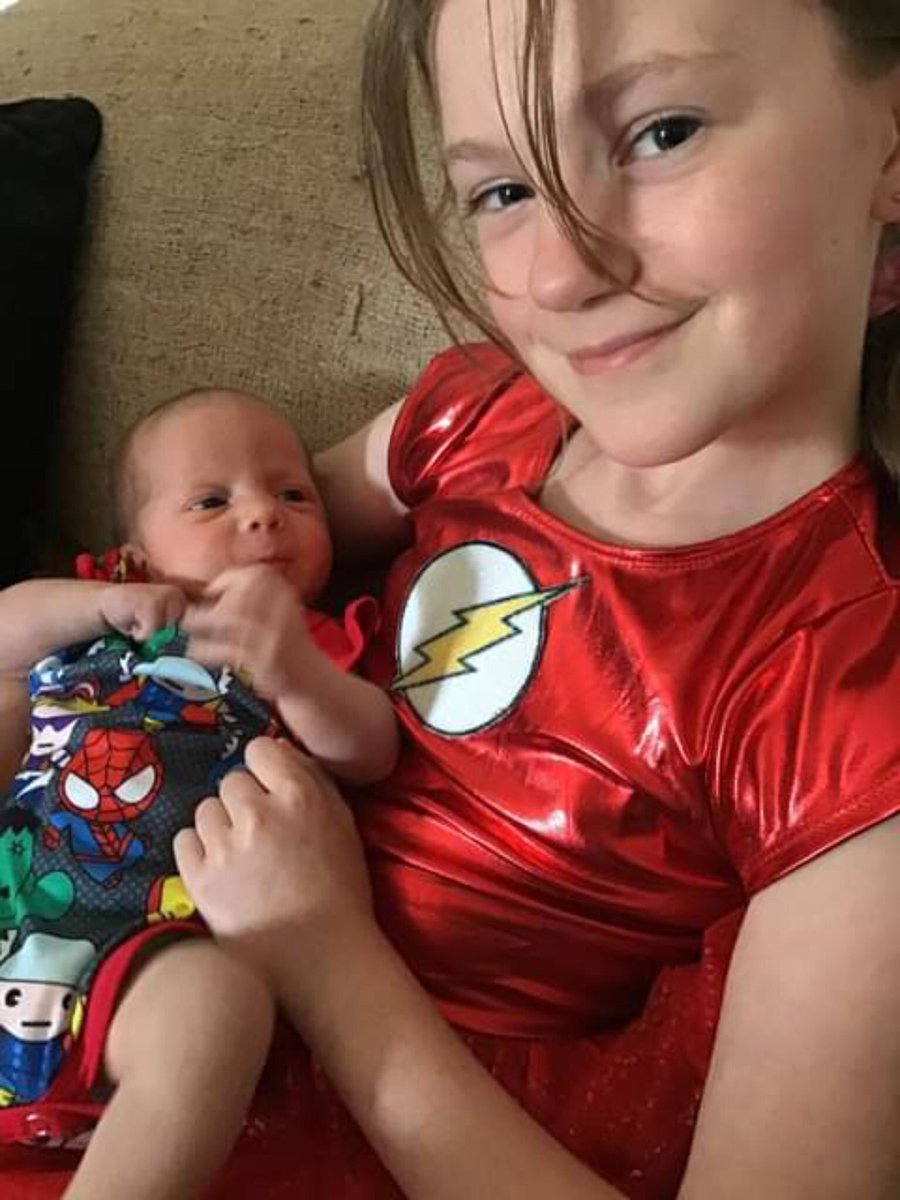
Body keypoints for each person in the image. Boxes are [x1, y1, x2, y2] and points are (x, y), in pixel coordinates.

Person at [158, 2, 900, 1198]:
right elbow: (212, 560)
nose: (560, 273)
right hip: (140, 980)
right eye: (503, 192)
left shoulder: (855, 691)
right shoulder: (478, 414)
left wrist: (324, 954)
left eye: (662, 132)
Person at [0, 387, 397, 1200]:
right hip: (15, 894)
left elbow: (372, 751)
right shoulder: (102, 605)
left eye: (295, 495)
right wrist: (96, 604)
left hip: (151, 952)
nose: (264, 515)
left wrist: (298, 673)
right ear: (135, 555)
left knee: (221, 1008)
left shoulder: (318, 642)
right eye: (212, 501)